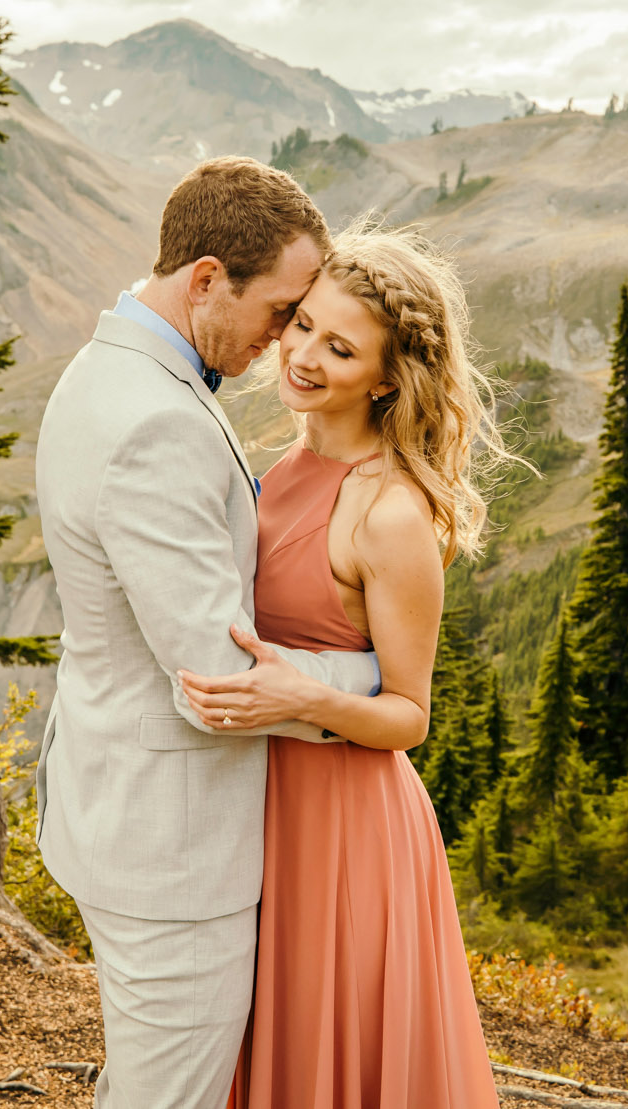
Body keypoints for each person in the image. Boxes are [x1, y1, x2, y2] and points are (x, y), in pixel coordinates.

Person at [31, 157, 383, 1109]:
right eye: (279, 311)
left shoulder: (111, 366)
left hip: (123, 806)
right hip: (171, 847)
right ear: (204, 279)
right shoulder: (156, 421)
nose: (283, 342)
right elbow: (218, 678)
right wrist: (374, 684)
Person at [178, 218, 518, 1108]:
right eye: (302, 325)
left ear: (387, 378)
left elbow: (411, 714)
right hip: (265, 809)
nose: (303, 355)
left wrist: (305, 696)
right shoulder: (282, 466)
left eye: (341, 347)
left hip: (349, 830)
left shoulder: (392, 515)